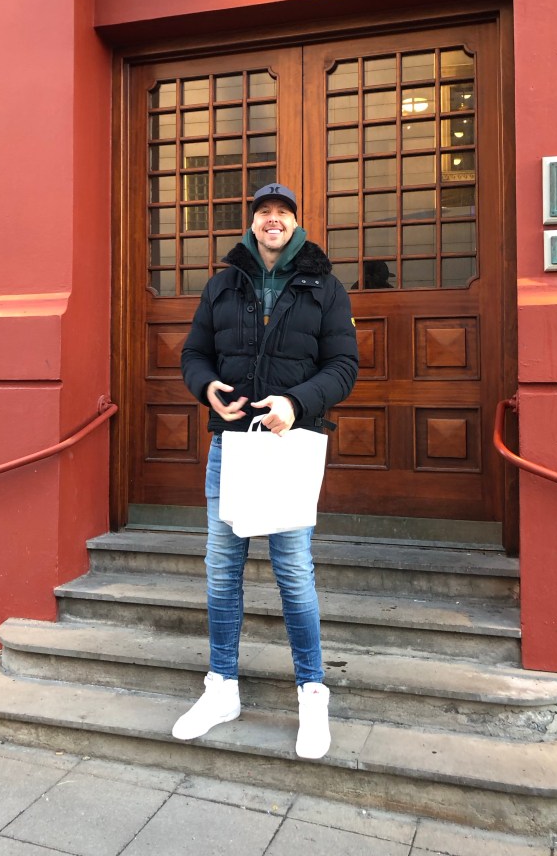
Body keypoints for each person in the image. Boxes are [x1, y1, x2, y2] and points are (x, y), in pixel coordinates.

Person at [174, 182, 359, 760]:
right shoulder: (223, 284)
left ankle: (312, 691)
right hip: (230, 449)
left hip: (288, 449)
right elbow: (193, 354)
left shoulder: (325, 287)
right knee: (221, 570)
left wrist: (296, 403)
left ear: (295, 222)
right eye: (263, 213)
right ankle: (221, 688)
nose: (272, 220)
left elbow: (344, 366)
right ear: (252, 223)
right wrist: (207, 388)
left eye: (282, 213)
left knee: (294, 572)